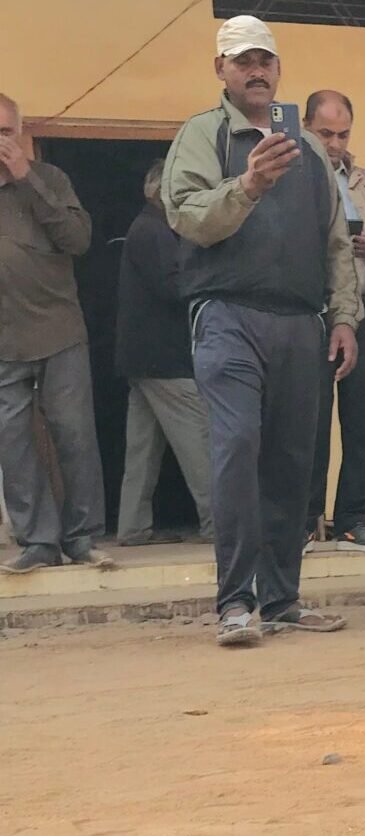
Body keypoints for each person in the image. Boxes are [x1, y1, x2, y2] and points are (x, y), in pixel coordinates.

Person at [163, 15, 360, 646]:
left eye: (265, 61)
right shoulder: (203, 134)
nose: (256, 71)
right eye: (242, 60)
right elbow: (187, 216)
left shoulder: (305, 147)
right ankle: (235, 602)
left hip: (300, 321)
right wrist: (247, 184)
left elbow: (336, 241)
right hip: (226, 314)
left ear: (278, 71)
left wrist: (345, 318)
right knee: (237, 449)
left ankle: (281, 599)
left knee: (293, 462)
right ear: (219, 69)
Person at [0, 91, 111, 574]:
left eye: (4, 132)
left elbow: (79, 239)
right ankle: (37, 543)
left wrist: (27, 179)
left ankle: (82, 537)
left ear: (21, 135)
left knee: (74, 435)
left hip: (59, 329)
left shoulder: (50, 178)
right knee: (12, 442)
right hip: (3, 341)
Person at [302, 89, 365, 554]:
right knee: (307, 422)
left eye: (342, 134)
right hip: (309, 311)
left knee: (363, 423)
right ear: (304, 126)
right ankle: (304, 521)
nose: (334, 143)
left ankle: (353, 519)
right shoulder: (290, 174)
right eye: (325, 133)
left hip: (364, 309)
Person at [115, 161, 214, 547]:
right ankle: (221, 525)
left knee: (142, 449)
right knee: (199, 442)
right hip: (165, 359)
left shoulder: (146, 228)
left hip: (142, 359)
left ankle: (132, 528)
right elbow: (176, 288)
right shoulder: (155, 230)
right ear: (163, 191)